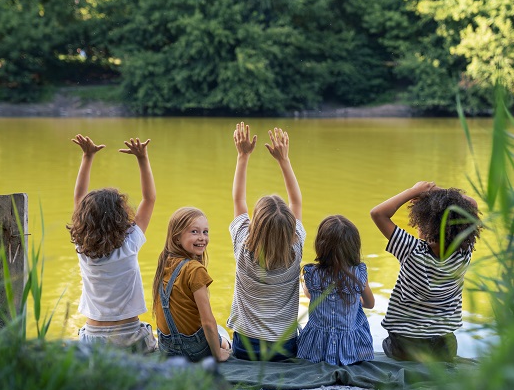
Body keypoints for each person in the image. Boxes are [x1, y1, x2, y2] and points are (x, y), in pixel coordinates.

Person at [370, 181, 481, 362]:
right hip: (444, 348)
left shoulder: (411, 250)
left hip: (406, 347)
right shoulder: (464, 250)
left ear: (427, 225)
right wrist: (439, 193)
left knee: (390, 344)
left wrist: (415, 191)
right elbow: (472, 204)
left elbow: (378, 213)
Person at [68, 134, 157, 354]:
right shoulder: (130, 243)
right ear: (121, 217)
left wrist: (87, 157)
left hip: (93, 338)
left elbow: (79, 197)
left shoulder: (83, 247)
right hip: (130, 336)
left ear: (83, 219)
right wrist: (142, 158)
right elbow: (149, 198)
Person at [228, 122, 305, 361]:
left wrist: (243, 156)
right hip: (284, 349)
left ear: (255, 225)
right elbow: (297, 202)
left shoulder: (243, 246)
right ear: (291, 228)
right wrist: (284, 160)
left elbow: (238, 199)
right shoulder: (296, 247)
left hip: (245, 348)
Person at [151, 207, 231, 362]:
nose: (202, 238)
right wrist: (218, 355)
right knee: (224, 337)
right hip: (194, 351)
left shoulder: (164, 261)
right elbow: (208, 322)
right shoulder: (195, 270)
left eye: (205, 232)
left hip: (167, 349)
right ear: (177, 238)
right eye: (194, 232)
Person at [297, 215, 375, 365]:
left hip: (316, 350)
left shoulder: (312, 273)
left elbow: (309, 294)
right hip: (352, 350)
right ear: (354, 247)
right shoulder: (358, 274)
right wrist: (355, 298)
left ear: (321, 246)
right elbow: (370, 304)